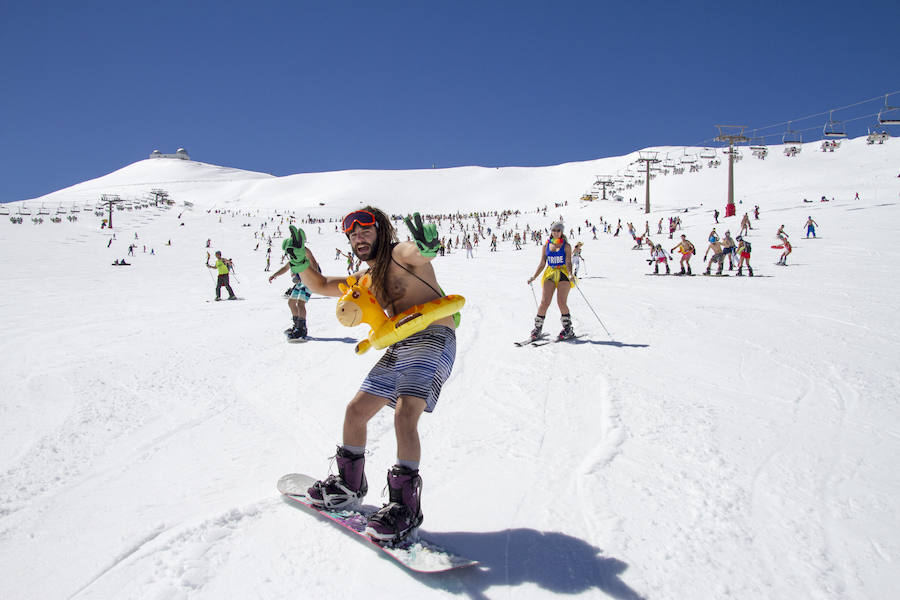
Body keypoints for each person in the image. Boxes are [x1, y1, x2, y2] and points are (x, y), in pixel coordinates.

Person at [290, 207, 457, 544]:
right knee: (356, 411)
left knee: (404, 414)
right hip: (401, 344)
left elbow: (418, 252)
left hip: (433, 336)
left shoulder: (399, 255)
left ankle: (404, 508)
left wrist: (425, 247)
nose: (358, 238)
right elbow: (321, 284)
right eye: (352, 235)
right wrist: (299, 262)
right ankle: (348, 486)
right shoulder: (365, 279)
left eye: (364, 231)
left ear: (381, 231)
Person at [527, 222, 575, 341]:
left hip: (563, 273)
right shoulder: (546, 246)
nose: (556, 232)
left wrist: (570, 273)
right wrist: (534, 276)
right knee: (544, 302)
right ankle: (537, 329)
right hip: (550, 272)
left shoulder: (566, 246)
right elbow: (542, 263)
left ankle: (568, 328)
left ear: (562, 232)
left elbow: (568, 261)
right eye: (554, 230)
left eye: (558, 230)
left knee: (561, 302)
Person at [268, 249, 321, 341]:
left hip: (310, 282)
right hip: (301, 282)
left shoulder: (306, 259)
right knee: (291, 302)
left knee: (300, 303)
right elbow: (285, 268)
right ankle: (297, 326)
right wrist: (275, 275)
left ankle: (302, 329)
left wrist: (302, 247)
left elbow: (313, 262)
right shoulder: (294, 260)